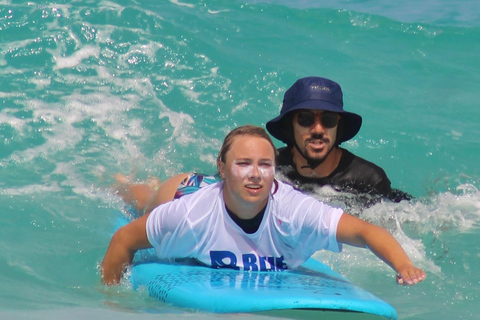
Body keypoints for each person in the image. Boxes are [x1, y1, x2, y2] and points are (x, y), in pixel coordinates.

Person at [101, 125, 426, 287]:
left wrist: (403, 265)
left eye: (264, 165)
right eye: (243, 163)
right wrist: (112, 304)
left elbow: (365, 231)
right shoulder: (188, 216)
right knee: (144, 204)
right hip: (185, 191)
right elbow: (123, 241)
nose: (256, 175)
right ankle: (121, 181)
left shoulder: (295, 211)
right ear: (223, 168)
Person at [266, 76, 410, 202]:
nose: (318, 130)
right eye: (305, 119)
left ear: (339, 127)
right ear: (289, 126)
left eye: (329, 119)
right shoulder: (271, 168)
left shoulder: (368, 181)